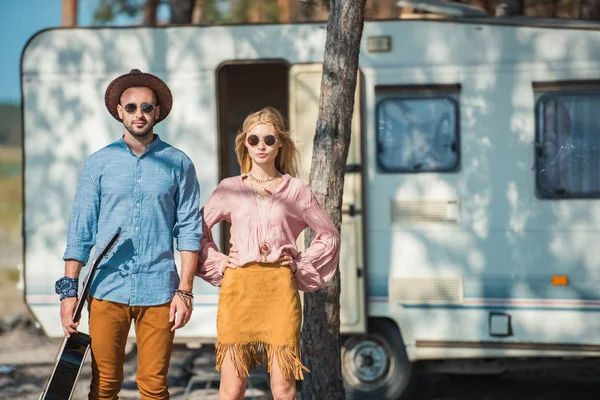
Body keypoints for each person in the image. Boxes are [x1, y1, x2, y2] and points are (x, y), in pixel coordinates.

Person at [57, 69, 201, 399]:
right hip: (107, 288)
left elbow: (190, 230)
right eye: (132, 107)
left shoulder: (179, 163)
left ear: (158, 112)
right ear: (119, 111)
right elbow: (80, 232)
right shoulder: (98, 164)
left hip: (160, 291)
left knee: (153, 386)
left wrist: (186, 291)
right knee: (104, 385)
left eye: (147, 107)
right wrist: (69, 293)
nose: (140, 114)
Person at [196, 106, 340, 400]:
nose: (261, 146)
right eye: (254, 140)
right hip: (238, 292)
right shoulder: (229, 189)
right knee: (231, 388)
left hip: (279, 292)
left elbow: (329, 235)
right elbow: (194, 231)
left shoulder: (297, 190)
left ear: (280, 145)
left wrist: (301, 262)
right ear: (245, 144)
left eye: (269, 140)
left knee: (283, 389)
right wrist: (221, 261)